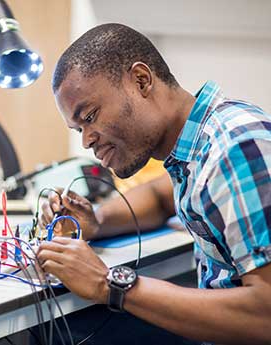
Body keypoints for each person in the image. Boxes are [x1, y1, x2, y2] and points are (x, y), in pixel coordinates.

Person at [37, 23, 271, 344]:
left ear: (141, 80)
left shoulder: (234, 147)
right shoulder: (196, 146)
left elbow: (266, 314)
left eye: (90, 116)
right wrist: (97, 221)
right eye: (78, 129)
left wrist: (109, 283)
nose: (87, 141)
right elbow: (160, 198)